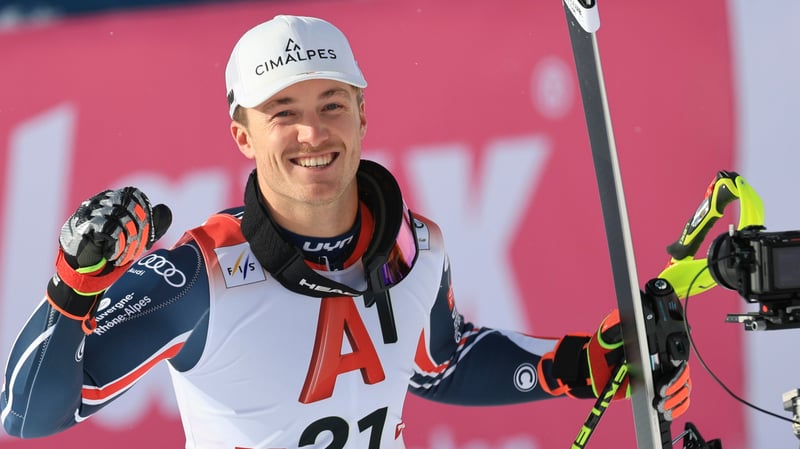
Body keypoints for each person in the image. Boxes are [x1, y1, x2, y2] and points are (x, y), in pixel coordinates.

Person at [0, 15, 691, 448]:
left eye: (332, 103)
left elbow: (440, 364)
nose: (313, 133)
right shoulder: (199, 275)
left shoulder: (415, 246)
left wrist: (578, 364)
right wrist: (73, 289)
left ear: (363, 114)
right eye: (283, 113)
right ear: (242, 134)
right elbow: (26, 415)